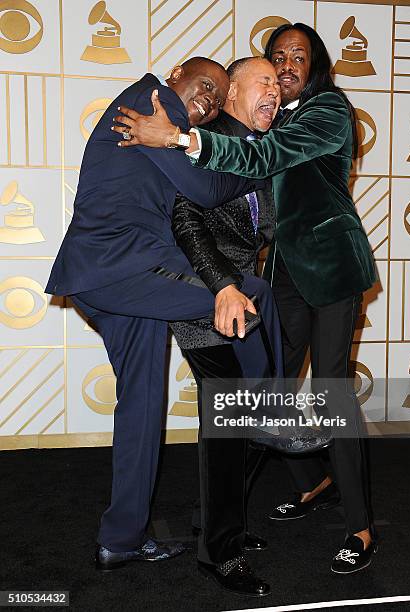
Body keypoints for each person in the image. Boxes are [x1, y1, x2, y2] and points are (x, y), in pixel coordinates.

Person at [111, 23, 378, 575]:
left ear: (317, 63)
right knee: (266, 396)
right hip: (277, 277)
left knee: (330, 390)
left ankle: (360, 526)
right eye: (275, 58)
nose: (284, 67)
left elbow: (268, 157)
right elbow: (217, 195)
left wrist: (181, 138)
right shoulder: (268, 117)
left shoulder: (328, 109)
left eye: (297, 57)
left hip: (330, 266)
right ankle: (306, 485)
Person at [46, 57, 281, 591]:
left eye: (218, 100)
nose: (208, 103)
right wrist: (178, 137)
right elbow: (206, 191)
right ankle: (271, 412)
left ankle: (120, 539)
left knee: (143, 404)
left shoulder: (173, 130)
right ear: (175, 74)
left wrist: (183, 143)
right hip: (121, 265)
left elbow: (211, 184)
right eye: (205, 88)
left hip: (125, 282)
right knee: (252, 293)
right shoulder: (150, 105)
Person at [169, 56, 280, 595]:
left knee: (256, 413)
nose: (276, 90)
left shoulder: (263, 149)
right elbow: (185, 217)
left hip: (245, 296)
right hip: (202, 294)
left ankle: (215, 520)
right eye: (265, 81)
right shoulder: (204, 141)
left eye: (279, 86)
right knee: (231, 412)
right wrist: (222, 286)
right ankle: (220, 551)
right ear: (231, 89)